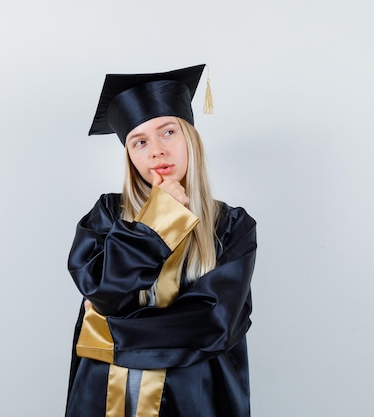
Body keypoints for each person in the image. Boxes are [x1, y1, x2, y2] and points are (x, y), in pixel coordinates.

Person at [65, 64, 257, 417]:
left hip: (193, 400)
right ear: (130, 156)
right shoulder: (106, 215)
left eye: (167, 132)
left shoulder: (231, 226)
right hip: (103, 395)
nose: (156, 151)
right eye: (140, 142)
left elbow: (212, 326)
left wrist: (111, 331)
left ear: (190, 137)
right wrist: (157, 220)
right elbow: (104, 291)